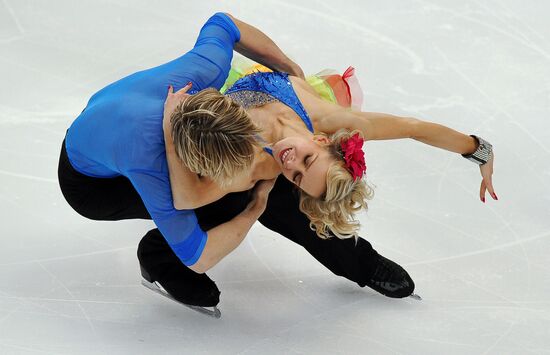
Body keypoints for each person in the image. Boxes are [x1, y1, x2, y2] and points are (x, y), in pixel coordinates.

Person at [58, 12, 420, 315]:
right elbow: (197, 254)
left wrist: (285, 65)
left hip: (142, 128)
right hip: (96, 187)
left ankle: (358, 260)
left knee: (272, 169)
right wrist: (253, 209)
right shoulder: (148, 160)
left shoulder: (207, 68)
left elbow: (224, 23)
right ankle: (157, 258)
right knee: (242, 194)